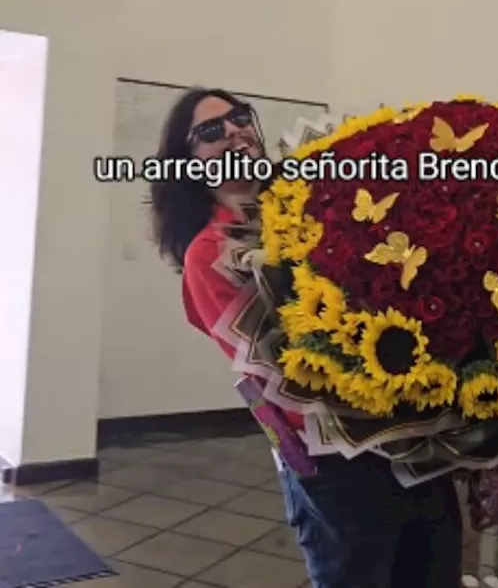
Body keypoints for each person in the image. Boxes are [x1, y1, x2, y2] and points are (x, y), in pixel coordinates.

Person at [149, 87, 463, 588]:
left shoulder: (317, 204)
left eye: (238, 118)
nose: (232, 131)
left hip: (412, 431)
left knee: (434, 571)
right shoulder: (208, 255)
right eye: (210, 130)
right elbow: (278, 366)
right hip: (334, 455)